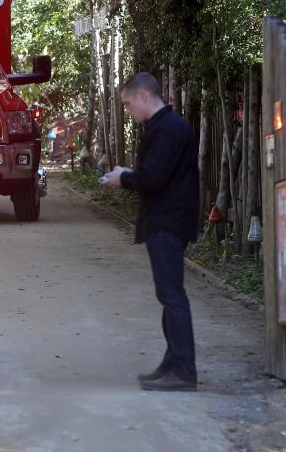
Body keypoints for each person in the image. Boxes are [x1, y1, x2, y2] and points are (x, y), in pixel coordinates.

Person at [101, 72, 200, 392]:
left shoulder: (168, 129)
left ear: (144, 96)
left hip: (168, 221)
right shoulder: (162, 128)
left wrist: (124, 178)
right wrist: (130, 174)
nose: (128, 111)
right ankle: (172, 362)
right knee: (167, 294)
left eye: (128, 104)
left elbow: (154, 178)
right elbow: (156, 174)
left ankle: (183, 370)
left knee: (172, 296)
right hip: (164, 220)